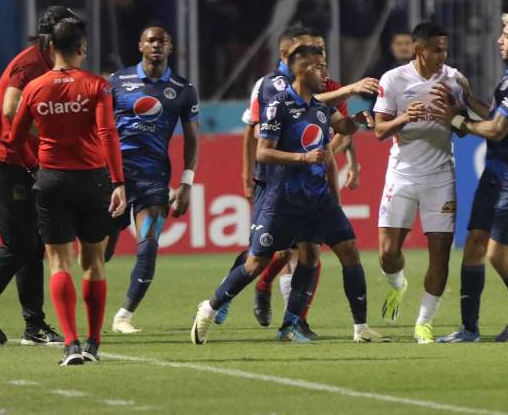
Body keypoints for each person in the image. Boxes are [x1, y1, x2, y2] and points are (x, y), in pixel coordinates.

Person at [192, 45, 387, 344]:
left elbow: (341, 127)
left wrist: (358, 121)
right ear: (301, 71)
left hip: (317, 199)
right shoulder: (278, 105)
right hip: (283, 200)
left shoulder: (321, 106)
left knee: (342, 251)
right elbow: (263, 152)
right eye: (319, 67)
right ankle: (209, 308)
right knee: (256, 264)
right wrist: (303, 158)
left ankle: (354, 328)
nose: (326, 74)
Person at [238, 24, 377, 338]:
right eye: (310, 52)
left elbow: (338, 127)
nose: (317, 57)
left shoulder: (330, 86)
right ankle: (240, 294)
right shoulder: (272, 85)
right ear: (290, 56)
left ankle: (296, 321)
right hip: (278, 180)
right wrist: (247, 176)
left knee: (311, 251)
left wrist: (351, 159)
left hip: (316, 176)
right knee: (271, 253)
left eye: (321, 51)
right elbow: (259, 130)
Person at [9, 17, 127, 365]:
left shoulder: (35, 88)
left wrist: (33, 167)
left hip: (52, 180)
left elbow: (15, 138)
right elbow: (107, 133)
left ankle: (71, 344)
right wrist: (118, 182)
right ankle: (94, 343)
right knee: (93, 262)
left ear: (50, 47)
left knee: (59, 262)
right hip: (93, 180)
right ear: (82, 48)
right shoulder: (97, 85)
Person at [0, 6, 75, 347]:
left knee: (34, 245)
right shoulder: (29, 65)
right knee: (20, 244)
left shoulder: (53, 63)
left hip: (24, 162)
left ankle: (34, 326)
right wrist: (48, 133)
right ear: (52, 37)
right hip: (5, 163)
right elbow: (11, 107)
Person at [432, 13, 508, 343]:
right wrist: (467, 100)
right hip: (496, 174)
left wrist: (457, 121)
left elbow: (497, 130)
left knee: (498, 255)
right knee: (473, 246)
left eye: (506, 35)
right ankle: (469, 330)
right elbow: (495, 115)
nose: (499, 40)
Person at [372, 22, 468, 343]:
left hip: (440, 177)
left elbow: (463, 129)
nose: (443, 55)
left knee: (440, 256)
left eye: (445, 49)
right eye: (437, 50)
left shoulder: (454, 80)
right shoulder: (393, 79)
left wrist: (454, 113)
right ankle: (398, 284)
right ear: (419, 50)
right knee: (388, 253)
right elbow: (379, 131)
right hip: (402, 174)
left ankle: (424, 323)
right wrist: (404, 117)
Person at [108, 25, 200, 334]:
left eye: (162, 41)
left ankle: (124, 316)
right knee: (102, 250)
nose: (156, 45)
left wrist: (186, 182)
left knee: (148, 245)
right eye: (151, 40)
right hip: (115, 178)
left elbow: (192, 138)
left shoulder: (183, 89)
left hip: (153, 179)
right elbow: (100, 128)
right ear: (140, 45)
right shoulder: (117, 81)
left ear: (170, 47)